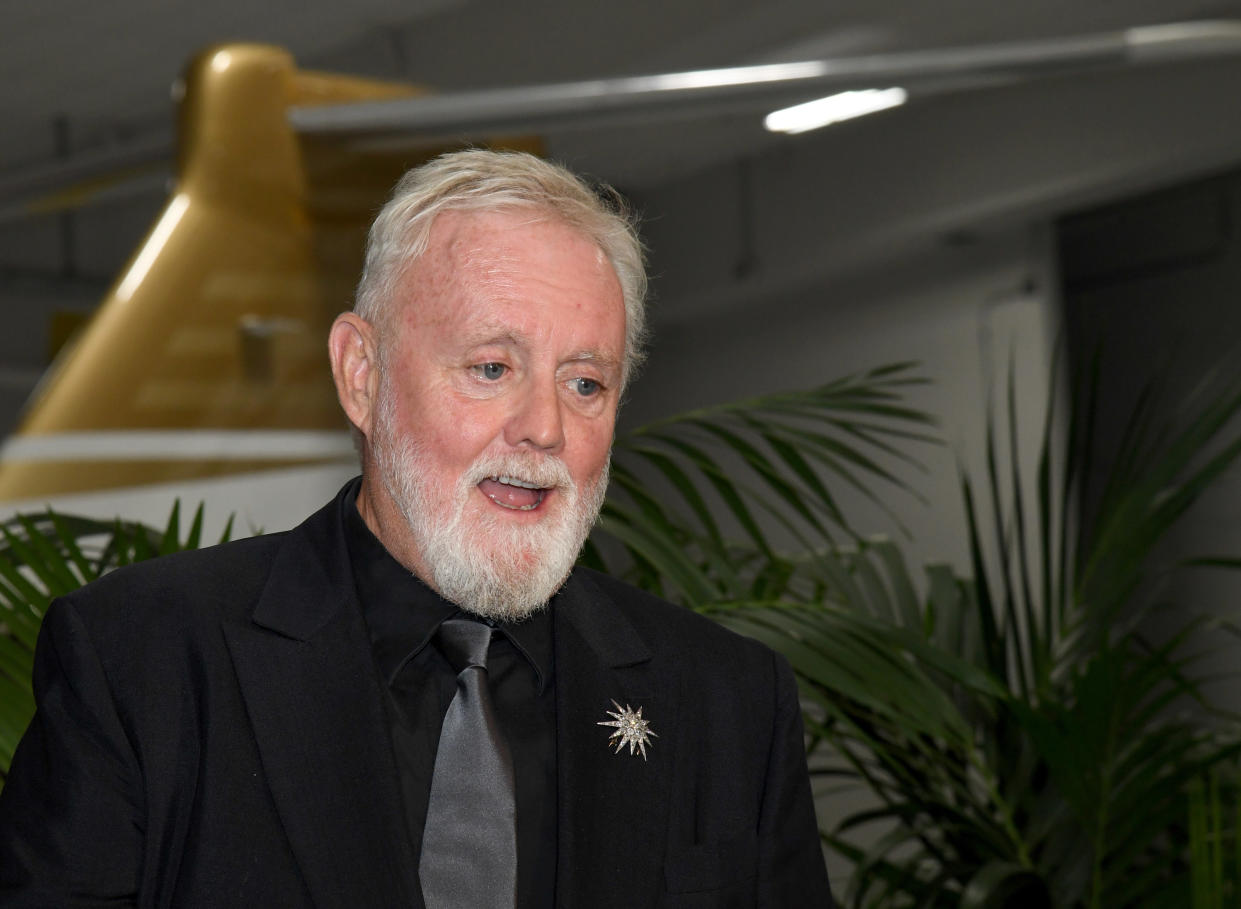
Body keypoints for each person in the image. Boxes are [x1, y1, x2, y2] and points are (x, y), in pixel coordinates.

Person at [0, 149, 834, 907]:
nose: (544, 427)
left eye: (585, 383)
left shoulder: (726, 701)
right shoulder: (143, 659)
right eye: (491, 368)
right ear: (360, 377)